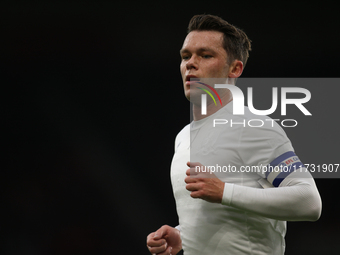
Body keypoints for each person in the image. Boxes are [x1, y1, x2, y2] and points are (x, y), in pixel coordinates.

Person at [146, 14, 321, 255]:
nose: (190, 63)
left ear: (235, 68)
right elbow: (221, 220)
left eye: (205, 55)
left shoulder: (254, 126)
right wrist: (182, 236)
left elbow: (309, 202)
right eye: (186, 56)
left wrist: (224, 192)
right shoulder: (183, 137)